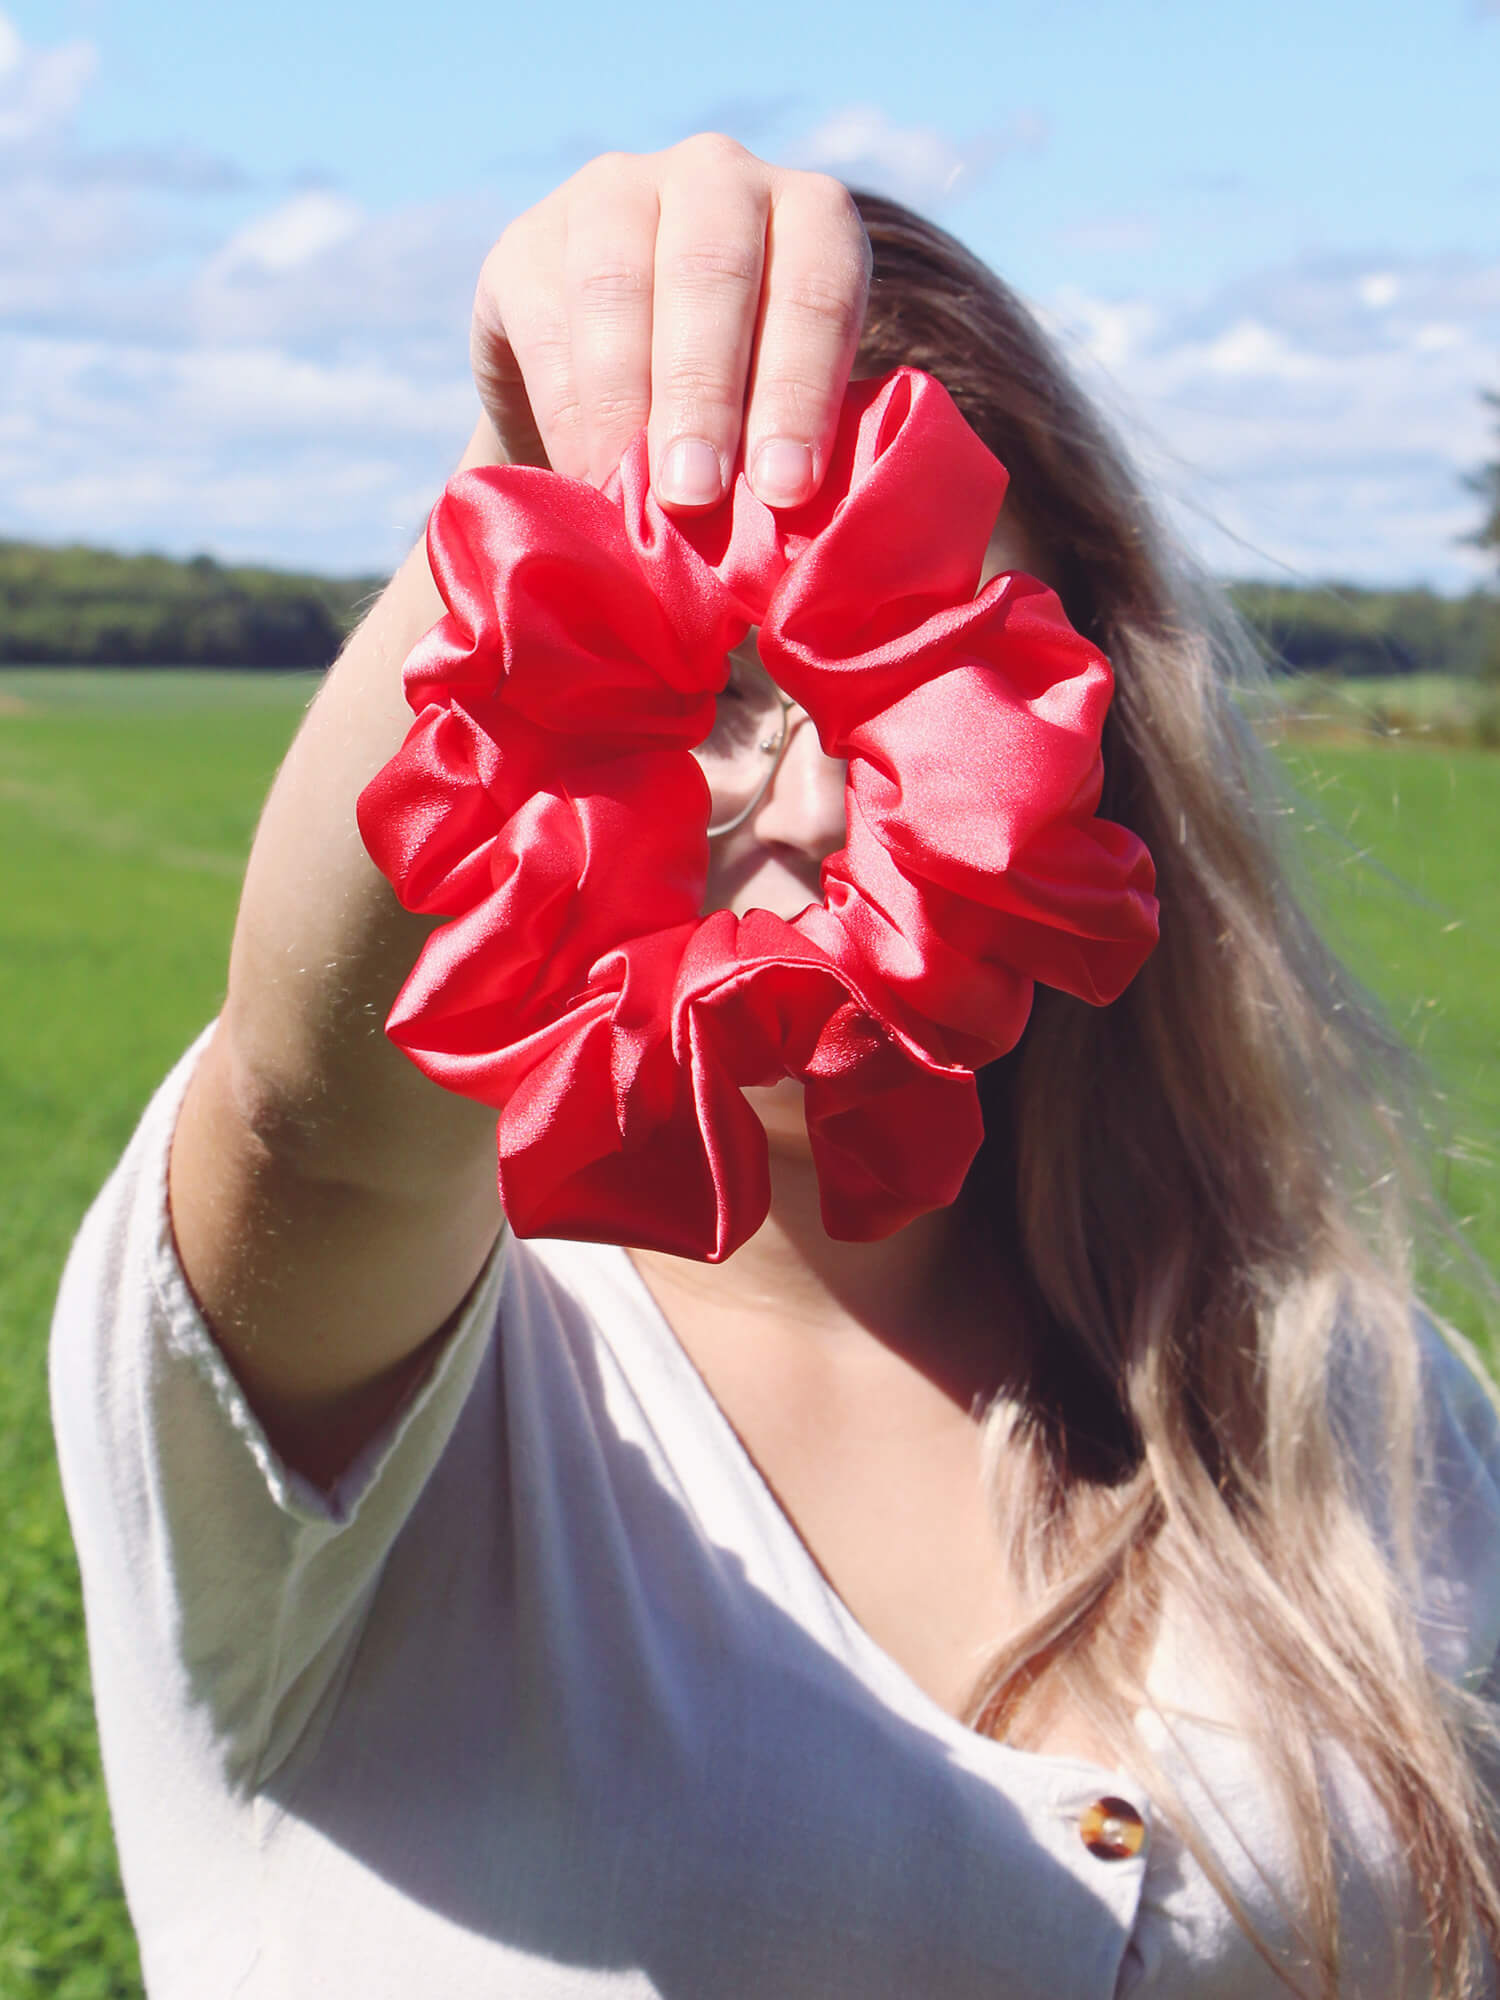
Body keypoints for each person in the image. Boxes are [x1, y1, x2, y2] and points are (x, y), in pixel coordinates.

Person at [50, 135, 1500, 1999]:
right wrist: (532, 469)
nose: (809, 804)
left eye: (912, 688)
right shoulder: (394, 1383)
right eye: (703, 683)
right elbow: (306, 1118)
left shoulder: (1350, 1399)